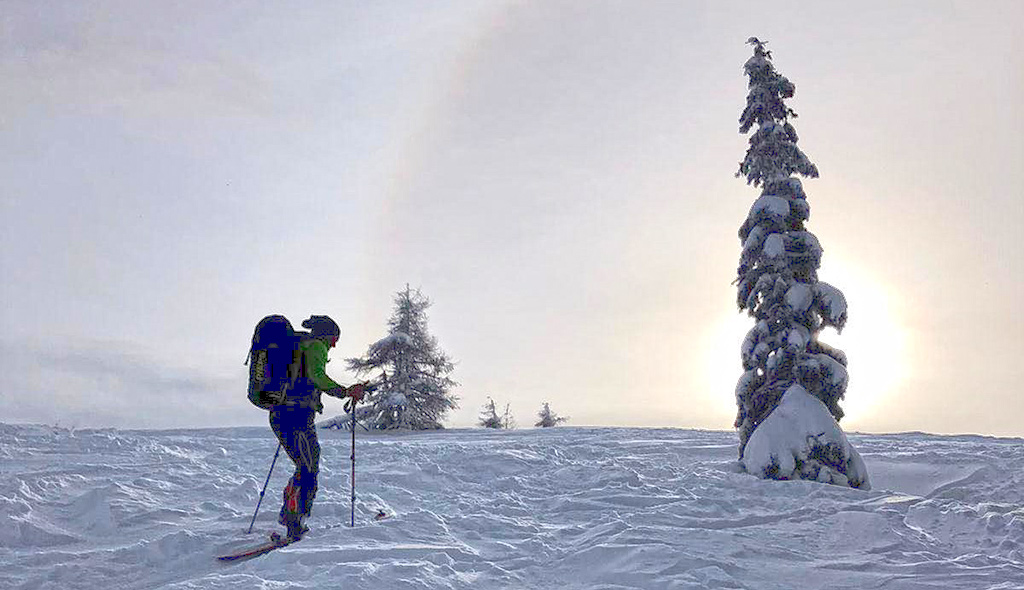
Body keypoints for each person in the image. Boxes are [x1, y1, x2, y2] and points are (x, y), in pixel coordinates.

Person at [267, 314, 364, 540]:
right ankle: (293, 520)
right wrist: (346, 391)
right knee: (308, 468)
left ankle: (291, 516)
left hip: (283, 414)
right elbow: (317, 377)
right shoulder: (316, 346)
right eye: (334, 338)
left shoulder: (299, 347)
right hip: (296, 416)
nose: (334, 344)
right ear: (327, 335)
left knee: (305, 465)